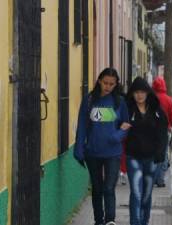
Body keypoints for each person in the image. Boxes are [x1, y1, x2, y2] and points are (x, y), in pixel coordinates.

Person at [74, 68, 131, 225]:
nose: (108, 86)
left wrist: (116, 136)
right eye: (105, 83)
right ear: (99, 81)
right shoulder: (89, 100)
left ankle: (110, 220)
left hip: (113, 153)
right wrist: (79, 147)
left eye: (111, 84)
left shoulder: (119, 102)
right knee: (97, 189)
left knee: (109, 188)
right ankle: (99, 221)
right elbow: (82, 125)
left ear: (116, 85)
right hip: (93, 152)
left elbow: (126, 126)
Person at [125, 77, 168, 225]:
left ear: (148, 93)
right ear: (132, 93)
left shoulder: (157, 111)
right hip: (133, 158)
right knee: (136, 193)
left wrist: (161, 153)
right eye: (136, 92)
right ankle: (135, 222)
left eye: (142, 92)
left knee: (147, 194)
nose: (139, 95)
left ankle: (144, 221)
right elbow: (117, 125)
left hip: (152, 159)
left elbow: (163, 134)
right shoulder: (127, 109)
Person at [152, 76, 172, 187]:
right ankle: (160, 179)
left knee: (152, 154)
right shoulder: (168, 99)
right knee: (163, 154)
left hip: (151, 130)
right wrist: (169, 125)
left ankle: (151, 179)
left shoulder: (150, 98)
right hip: (165, 130)